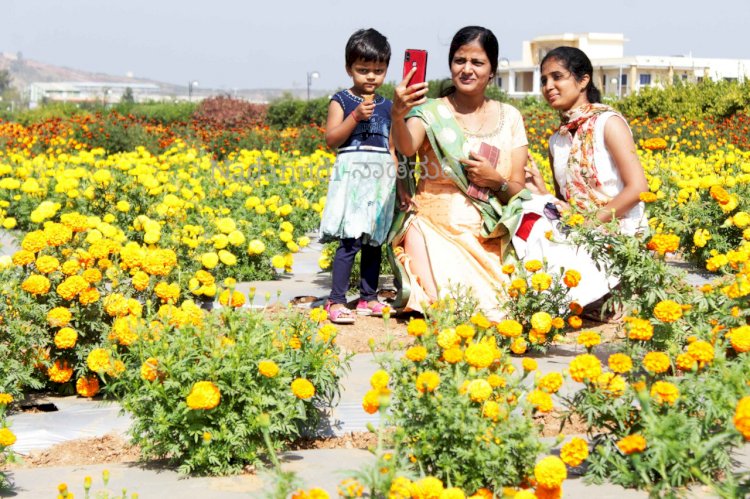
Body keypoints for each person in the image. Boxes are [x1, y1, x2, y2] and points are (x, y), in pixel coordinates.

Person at [390, 26, 530, 321]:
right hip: (433, 229)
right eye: (459, 61)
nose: (466, 69)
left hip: (488, 233)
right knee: (448, 307)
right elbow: (406, 145)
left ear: (492, 70)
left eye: (477, 62)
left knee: (502, 309)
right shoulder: (429, 111)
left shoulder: (511, 117)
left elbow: (517, 187)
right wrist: (398, 114)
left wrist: (497, 181)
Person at [518, 46, 649, 309]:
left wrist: (588, 224)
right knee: (524, 212)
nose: (548, 86)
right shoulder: (557, 139)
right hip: (579, 231)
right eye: (544, 80)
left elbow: (637, 189)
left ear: (583, 80)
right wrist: (543, 192)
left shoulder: (608, 123)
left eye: (557, 77)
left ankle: (611, 290)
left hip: (615, 232)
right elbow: (566, 204)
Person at [319, 28, 397, 324]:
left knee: (374, 240)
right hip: (352, 176)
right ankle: (336, 300)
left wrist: (397, 181)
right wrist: (355, 117)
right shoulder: (342, 100)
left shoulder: (389, 106)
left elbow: (391, 147)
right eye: (363, 70)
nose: (370, 77)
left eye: (378, 71)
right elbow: (331, 139)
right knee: (349, 239)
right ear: (349, 68)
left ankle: (368, 297)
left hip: (379, 177)